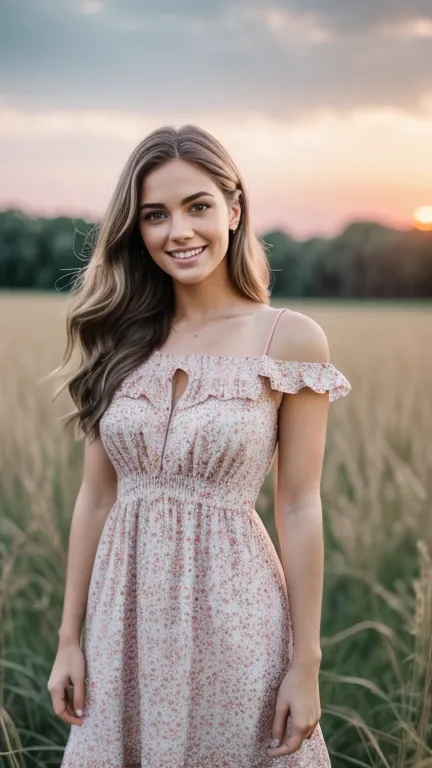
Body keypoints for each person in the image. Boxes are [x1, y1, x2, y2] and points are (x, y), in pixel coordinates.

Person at [47, 124, 351, 767]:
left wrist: (306, 663)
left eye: (198, 206)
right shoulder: (119, 342)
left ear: (234, 211)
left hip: (237, 624)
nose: (178, 231)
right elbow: (96, 498)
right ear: (137, 229)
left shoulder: (288, 340)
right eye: (155, 215)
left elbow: (298, 506)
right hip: (120, 625)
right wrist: (69, 638)